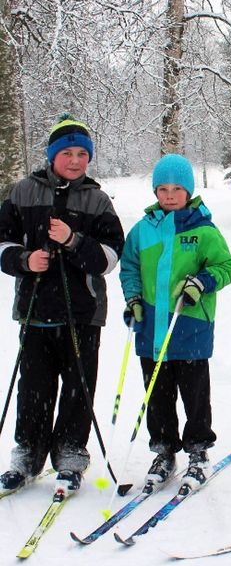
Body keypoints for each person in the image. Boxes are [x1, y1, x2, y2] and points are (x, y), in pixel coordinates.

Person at [0, 114, 124, 493]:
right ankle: (28, 453)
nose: (74, 161)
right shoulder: (23, 192)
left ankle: (71, 452)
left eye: (82, 154)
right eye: (67, 153)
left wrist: (74, 241)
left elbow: (110, 257)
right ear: (52, 155)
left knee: (78, 387)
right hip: (35, 312)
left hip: (82, 314)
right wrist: (25, 260)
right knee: (33, 387)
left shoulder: (97, 200)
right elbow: (2, 244)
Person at [119, 154, 231, 491]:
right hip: (151, 331)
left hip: (190, 328)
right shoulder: (143, 231)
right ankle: (164, 451)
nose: (169, 195)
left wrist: (201, 282)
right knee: (157, 395)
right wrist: (134, 300)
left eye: (177, 188)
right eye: (163, 188)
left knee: (195, 396)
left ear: (188, 190)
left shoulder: (202, 230)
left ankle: (198, 452)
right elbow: (129, 268)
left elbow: (225, 266)